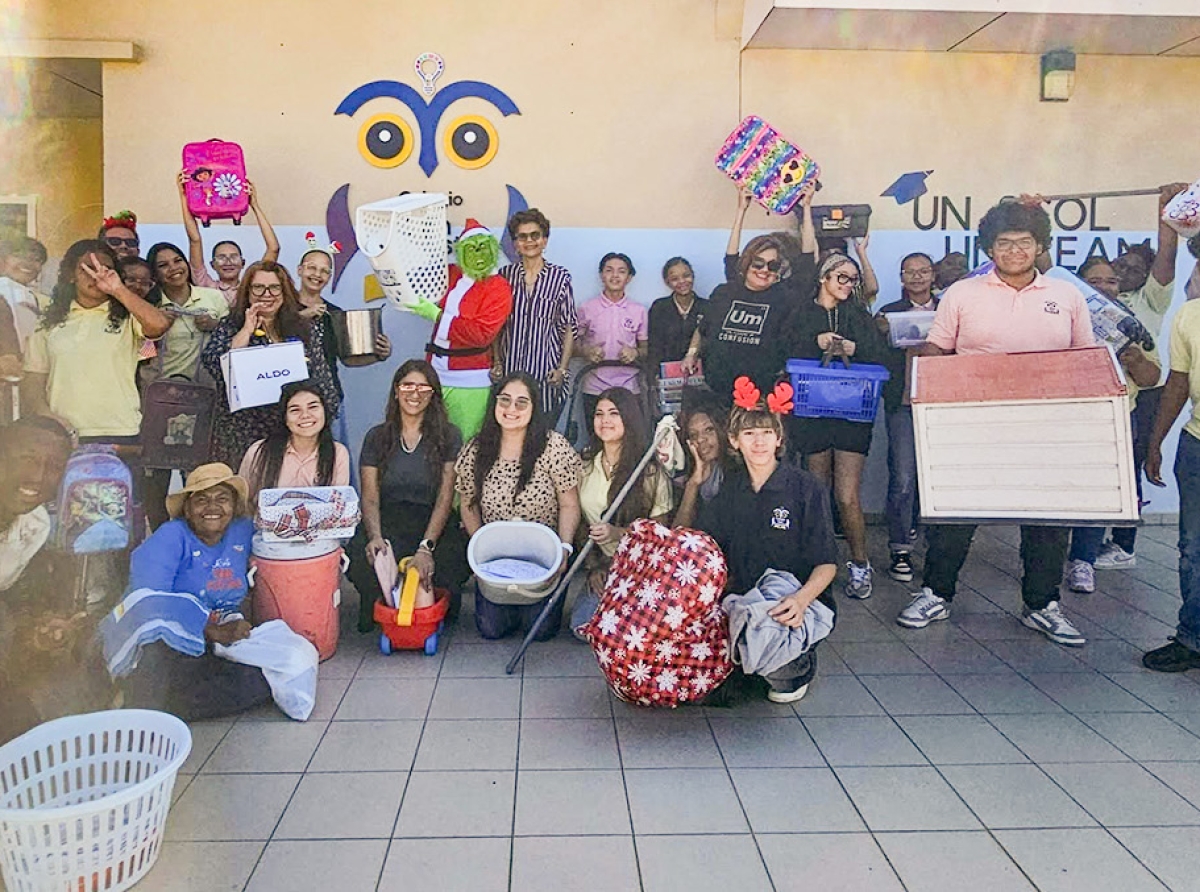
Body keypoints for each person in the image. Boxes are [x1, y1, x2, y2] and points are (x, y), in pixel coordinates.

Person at [896, 200, 1094, 646]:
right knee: (955, 515)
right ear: (989, 248)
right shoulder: (962, 294)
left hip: (1045, 429)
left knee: (1046, 520)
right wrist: (925, 399)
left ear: (1040, 246)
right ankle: (936, 594)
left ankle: (1042, 605)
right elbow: (937, 352)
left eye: (1024, 242)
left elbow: (1084, 361)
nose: (1014, 251)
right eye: (1004, 243)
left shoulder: (1066, 296)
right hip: (973, 425)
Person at [695, 382, 838, 704]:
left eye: (766, 433)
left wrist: (800, 601)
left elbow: (827, 563)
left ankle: (799, 663)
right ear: (734, 440)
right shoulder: (731, 490)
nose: (758, 442)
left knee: (777, 681)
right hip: (741, 600)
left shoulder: (805, 488)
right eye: (749, 434)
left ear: (779, 438)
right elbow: (703, 549)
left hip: (790, 601)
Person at [118, 463, 273, 720]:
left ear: (234, 507)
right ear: (187, 510)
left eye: (222, 499)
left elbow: (281, 539)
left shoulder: (242, 530)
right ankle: (146, 713)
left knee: (265, 678)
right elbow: (147, 604)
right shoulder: (170, 537)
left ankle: (165, 703)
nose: (212, 507)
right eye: (201, 500)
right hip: (163, 638)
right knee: (158, 667)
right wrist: (210, 631)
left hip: (215, 637)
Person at [1092, 183, 1190, 571]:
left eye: (1134, 270)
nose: (1123, 273)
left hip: (1146, 392)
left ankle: (1124, 545)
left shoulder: (1152, 297)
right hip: (1105, 392)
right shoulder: (1097, 297)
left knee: (1130, 467)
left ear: (1148, 277)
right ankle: (1089, 540)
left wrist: (1167, 207)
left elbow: (1166, 253)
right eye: (1119, 267)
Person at [0, 417, 112, 744]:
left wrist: (40, 630)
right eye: (27, 459)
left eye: (54, 467)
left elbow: (15, 600)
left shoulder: (34, 525)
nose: (38, 477)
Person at [785, 252, 886, 599]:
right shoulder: (801, 313)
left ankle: (860, 563)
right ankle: (818, 562)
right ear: (823, 277)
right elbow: (783, 351)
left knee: (847, 495)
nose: (847, 284)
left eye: (852, 279)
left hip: (852, 414)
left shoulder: (859, 315)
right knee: (817, 491)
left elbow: (880, 357)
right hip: (812, 413)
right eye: (841, 276)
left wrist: (857, 348)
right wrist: (814, 342)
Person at [455, 373, 582, 639]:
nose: (511, 409)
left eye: (521, 402)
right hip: (497, 559)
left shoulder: (553, 446)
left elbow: (569, 505)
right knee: (491, 629)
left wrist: (564, 549)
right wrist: (480, 549)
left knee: (540, 631)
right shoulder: (476, 449)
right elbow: (468, 503)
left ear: (534, 408)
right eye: (505, 400)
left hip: (544, 557)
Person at [1063, 257, 1162, 592]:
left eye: (1111, 281)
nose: (1104, 287)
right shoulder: (1063, 317)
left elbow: (1151, 378)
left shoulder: (1130, 324)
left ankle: (1083, 561)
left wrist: (1135, 359)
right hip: (1069, 415)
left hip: (1115, 417)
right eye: (1094, 282)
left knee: (1099, 491)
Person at [348, 360, 470, 631]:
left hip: (433, 520)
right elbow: (370, 497)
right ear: (396, 391)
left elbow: (445, 497)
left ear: (433, 395)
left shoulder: (449, 435)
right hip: (389, 518)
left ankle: (440, 603)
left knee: (455, 557)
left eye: (423, 388)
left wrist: (426, 548)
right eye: (407, 386)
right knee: (360, 553)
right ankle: (375, 601)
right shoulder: (377, 437)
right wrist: (376, 537)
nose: (415, 394)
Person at [22, 240, 170, 442]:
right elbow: (33, 379)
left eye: (105, 269)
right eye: (88, 269)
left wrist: (117, 289)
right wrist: (47, 416)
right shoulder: (49, 322)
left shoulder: (129, 317)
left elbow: (159, 324)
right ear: (71, 275)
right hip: (61, 434)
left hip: (119, 432)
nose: (96, 275)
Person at [201, 261, 340, 468]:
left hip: (296, 433)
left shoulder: (303, 328)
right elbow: (215, 365)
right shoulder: (231, 325)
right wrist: (246, 331)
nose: (267, 294)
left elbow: (323, 381)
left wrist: (318, 421)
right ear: (247, 292)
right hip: (243, 433)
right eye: (258, 287)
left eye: (274, 287)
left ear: (285, 292)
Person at [684, 184, 817, 398]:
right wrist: (740, 211)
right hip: (719, 390)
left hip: (761, 396)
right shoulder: (726, 291)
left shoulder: (784, 296)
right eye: (758, 263)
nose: (764, 270)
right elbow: (703, 326)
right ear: (747, 264)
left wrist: (807, 208)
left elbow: (807, 261)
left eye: (772, 265)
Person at [569, 387, 673, 631]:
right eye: (599, 413)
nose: (605, 420)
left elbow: (660, 533)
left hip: (642, 566)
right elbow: (581, 524)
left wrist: (618, 533)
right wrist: (594, 567)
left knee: (636, 628)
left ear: (629, 418)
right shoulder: (584, 466)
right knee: (583, 626)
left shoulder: (650, 472)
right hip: (604, 564)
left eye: (614, 413)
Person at [402, 220, 511, 440]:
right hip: (433, 374)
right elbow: (415, 279)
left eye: (483, 248)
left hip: (470, 380)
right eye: (471, 249)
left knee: (464, 441)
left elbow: (481, 334)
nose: (478, 255)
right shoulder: (450, 274)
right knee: (430, 439)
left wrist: (437, 315)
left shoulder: (498, 287)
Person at [874, 252, 939, 583]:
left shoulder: (950, 309)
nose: (917, 277)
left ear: (933, 275)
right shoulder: (888, 312)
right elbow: (875, 356)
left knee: (938, 480)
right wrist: (882, 334)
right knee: (902, 477)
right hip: (902, 403)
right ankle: (900, 548)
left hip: (942, 403)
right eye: (909, 272)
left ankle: (937, 548)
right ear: (901, 278)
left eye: (923, 271)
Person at [1144, 289, 1200, 672]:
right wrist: (1156, 441)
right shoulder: (1189, 315)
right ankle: (1192, 639)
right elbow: (1178, 382)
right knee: (1193, 549)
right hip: (1196, 445)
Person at [293, 233, 392, 431]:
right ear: (300, 270)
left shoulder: (334, 313)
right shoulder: (283, 307)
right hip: (291, 402)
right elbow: (275, 336)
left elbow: (346, 359)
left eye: (324, 271)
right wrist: (303, 316)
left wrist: (379, 355)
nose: (317, 274)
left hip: (329, 400)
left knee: (333, 449)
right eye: (312, 267)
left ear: (329, 277)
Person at [496, 209, 577, 422]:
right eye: (522, 237)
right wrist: (496, 362)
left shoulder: (560, 277)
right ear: (515, 243)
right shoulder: (505, 277)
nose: (529, 241)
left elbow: (569, 326)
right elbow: (496, 325)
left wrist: (562, 369)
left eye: (535, 235)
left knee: (543, 434)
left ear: (544, 240)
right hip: (510, 371)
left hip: (546, 375)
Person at [178, 171, 280, 307]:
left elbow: (273, 248)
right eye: (221, 257)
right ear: (212, 265)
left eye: (234, 257)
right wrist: (185, 195)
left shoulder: (252, 287)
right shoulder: (206, 286)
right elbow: (194, 240)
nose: (228, 262)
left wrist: (254, 205)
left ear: (243, 263)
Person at [239, 381, 350, 501]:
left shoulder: (338, 452)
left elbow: (338, 505)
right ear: (285, 419)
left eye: (313, 407)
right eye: (295, 410)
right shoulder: (259, 451)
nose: (305, 415)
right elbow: (242, 502)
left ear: (325, 412)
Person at [576, 252, 648, 420]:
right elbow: (571, 346)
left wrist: (635, 352)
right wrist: (586, 351)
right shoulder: (586, 308)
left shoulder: (639, 310)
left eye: (621, 271)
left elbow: (646, 349)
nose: (615, 276)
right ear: (601, 275)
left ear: (629, 278)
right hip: (594, 387)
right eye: (609, 270)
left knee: (631, 434)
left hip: (629, 387)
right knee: (596, 434)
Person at [673, 391, 732, 528]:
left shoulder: (741, 471)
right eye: (693, 435)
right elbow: (678, 532)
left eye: (709, 430)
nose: (700, 439)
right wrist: (693, 484)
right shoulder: (690, 476)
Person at [647, 257, 708, 373]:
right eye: (675, 279)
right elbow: (654, 347)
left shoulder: (707, 307)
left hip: (701, 372)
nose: (682, 281)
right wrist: (654, 376)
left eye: (686, 276)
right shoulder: (659, 308)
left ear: (693, 276)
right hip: (667, 373)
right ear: (667, 282)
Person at [0, 235, 49, 351]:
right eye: (19, 256)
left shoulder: (39, 299)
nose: (28, 263)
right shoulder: (4, 287)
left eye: (36, 259)